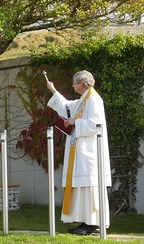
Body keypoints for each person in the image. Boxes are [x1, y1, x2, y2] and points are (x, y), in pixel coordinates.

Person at [46, 70, 112, 235]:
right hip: (80, 152)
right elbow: (67, 106)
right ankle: (85, 221)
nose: (73, 85)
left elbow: (95, 124)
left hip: (90, 153)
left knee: (89, 186)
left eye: (74, 83)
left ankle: (94, 223)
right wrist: (53, 91)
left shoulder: (94, 99)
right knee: (81, 187)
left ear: (82, 83)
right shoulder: (84, 99)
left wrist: (75, 121)